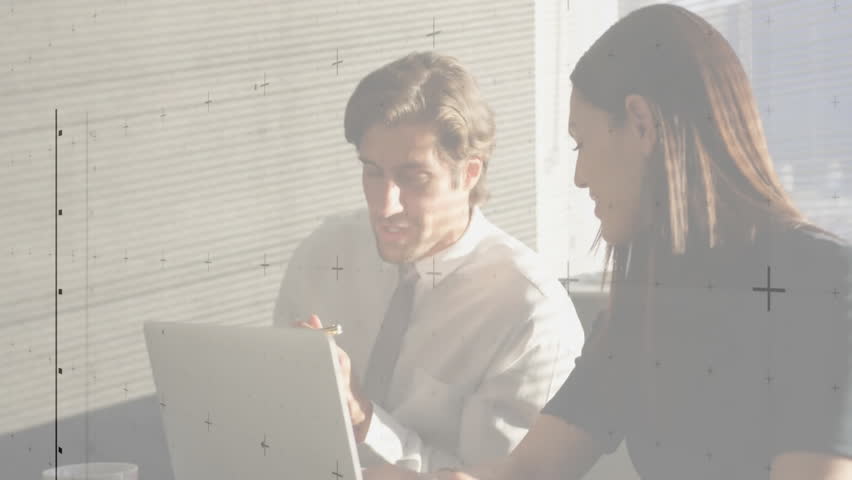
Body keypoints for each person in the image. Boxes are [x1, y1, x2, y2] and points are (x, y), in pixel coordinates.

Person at [363, 4, 852, 480]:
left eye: (582, 142)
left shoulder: (825, 287)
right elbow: (530, 469)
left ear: (640, 123)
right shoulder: (650, 295)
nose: (578, 175)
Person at [273, 51, 584, 474]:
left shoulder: (529, 315)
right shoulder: (325, 254)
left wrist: (364, 419)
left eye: (413, 177)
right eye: (372, 171)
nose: (385, 206)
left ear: (469, 173)